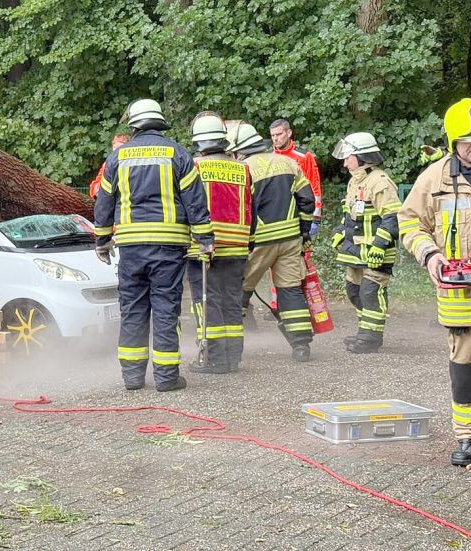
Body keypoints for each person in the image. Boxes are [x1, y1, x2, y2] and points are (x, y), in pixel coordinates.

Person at [93, 99, 213, 391]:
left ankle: (132, 378)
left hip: (131, 248)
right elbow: (195, 200)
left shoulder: (117, 157)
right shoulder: (178, 154)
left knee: (133, 310)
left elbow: (104, 201)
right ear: (160, 123)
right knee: (165, 309)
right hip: (168, 248)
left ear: (134, 125)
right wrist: (205, 238)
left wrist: (101, 239)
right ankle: (166, 378)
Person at [399, 98, 471, 466]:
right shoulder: (434, 179)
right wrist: (430, 255)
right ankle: (470, 438)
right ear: (452, 141)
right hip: (460, 293)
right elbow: (410, 222)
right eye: (467, 139)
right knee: (465, 367)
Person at [227, 122, 316, 361]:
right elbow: (307, 200)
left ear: (239, 150)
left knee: (240, 291)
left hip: (259, 241)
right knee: (290, 291)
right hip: (290, 240)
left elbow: (240, 208)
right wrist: (304, 230)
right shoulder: (288, 163)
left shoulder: (242, 169)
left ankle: (231, 345)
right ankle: (300, 346)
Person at [185, 113, 253, 374]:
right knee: (232, 301)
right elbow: (251, 205)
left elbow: (189, 205)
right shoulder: (242, 168)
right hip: (237, 245)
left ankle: (214, 358)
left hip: (204, 247)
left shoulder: (195, 167)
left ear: (199, 142)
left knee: (207, 302)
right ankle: (233, 357)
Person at [329, 132, 400, 354]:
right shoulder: (356, 181)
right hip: (356, 251)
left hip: (376, 251)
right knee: (354, 291)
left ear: (362, 157)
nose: (344, 161)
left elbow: (393, 217)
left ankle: (371, 337)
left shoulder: (380, 182)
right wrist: (341, 231)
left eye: (348, 156)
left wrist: (379, 245)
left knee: (370, 292)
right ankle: (364, 330)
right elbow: (351, 215)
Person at [270, 119, 322, 236]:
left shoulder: (304, 156)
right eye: (273, 135)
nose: (275, 138)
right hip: (276, 213)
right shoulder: (269, 157)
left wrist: (316, 216)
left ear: (289, 133)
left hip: (301, 212)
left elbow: (315, 186)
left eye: (279, 134)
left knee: (302, 252)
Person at [89, 134, 130, 198]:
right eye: (115, 148)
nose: (116, 152)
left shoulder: (131, 162)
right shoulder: (107, 164)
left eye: (119, 148)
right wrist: (98, 191)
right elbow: (94, 185)